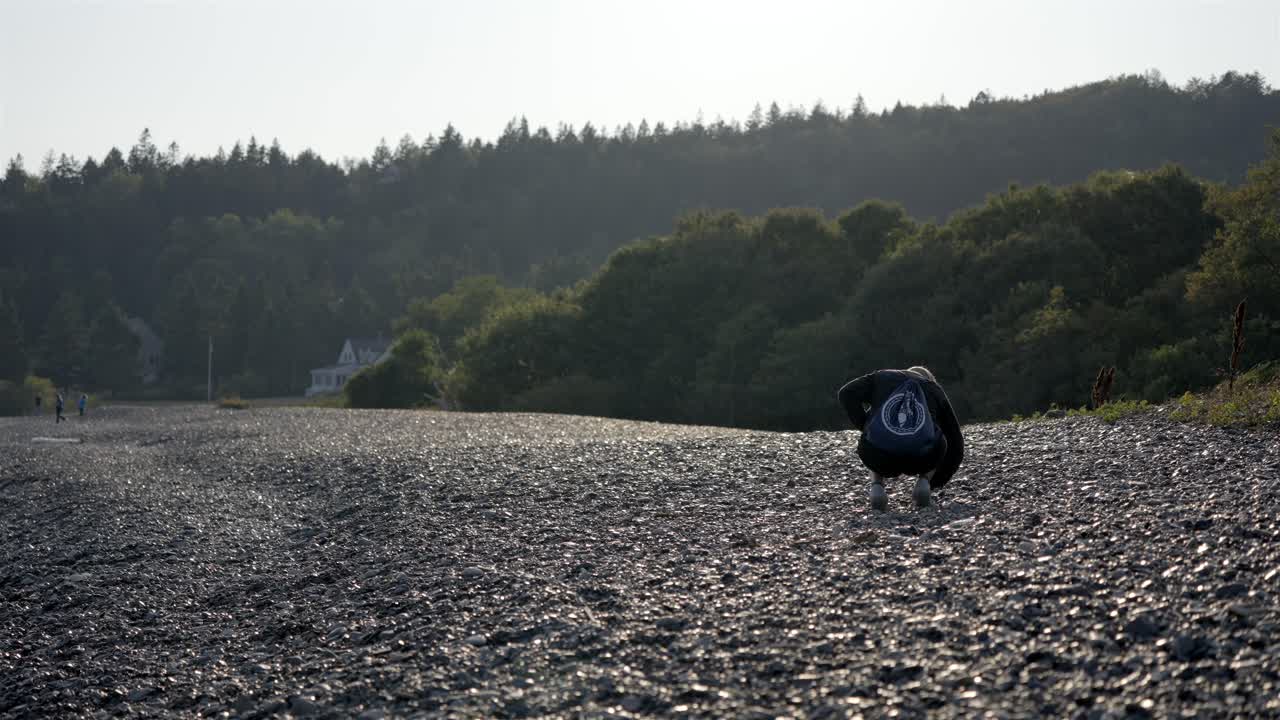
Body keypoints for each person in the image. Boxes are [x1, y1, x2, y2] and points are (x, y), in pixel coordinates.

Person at [837, 366, 964, 511]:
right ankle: (924, 483)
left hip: (879, 458)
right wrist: (937, 481)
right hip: (922, 459)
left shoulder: (882, 377)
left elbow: (846, 393)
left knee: (877, 432)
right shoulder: (933, 389)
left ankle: (877, 488)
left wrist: (865, 426)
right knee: (940, 435)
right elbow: (956, 441)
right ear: (928, 379)